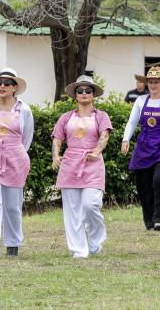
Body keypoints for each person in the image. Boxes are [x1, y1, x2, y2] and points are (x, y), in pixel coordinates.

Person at [51, 73, 112, 258]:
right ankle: (79, 250)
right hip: (70, 165)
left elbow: (105, 135)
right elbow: (57, 138)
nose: (84, 93)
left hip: (92, 164)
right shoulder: (66, 117)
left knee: (90, 204)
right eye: (80, 90)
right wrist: (55, 156)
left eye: (88, 90)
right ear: (75, 95)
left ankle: (96, 239)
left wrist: (97, 151)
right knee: (72, 211)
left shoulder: (101, 116)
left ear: (93, 94)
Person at [0, 68, 33, 260]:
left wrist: (17, 154)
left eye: (7, 83)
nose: (2, 86)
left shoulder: (24, 109)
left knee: (12, 206)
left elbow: (26, 138)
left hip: (15, 159)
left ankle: (13, 243)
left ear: (14, 87)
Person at [121, 67, 160, 231]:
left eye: (156, 82)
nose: (153, 85)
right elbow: (132, 122)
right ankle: (150, 220)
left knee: (159, 180)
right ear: (147, 83)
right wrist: (126, 139)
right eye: (151, 82)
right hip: (144, 148)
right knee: (144, 185)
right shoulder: (141, 101)